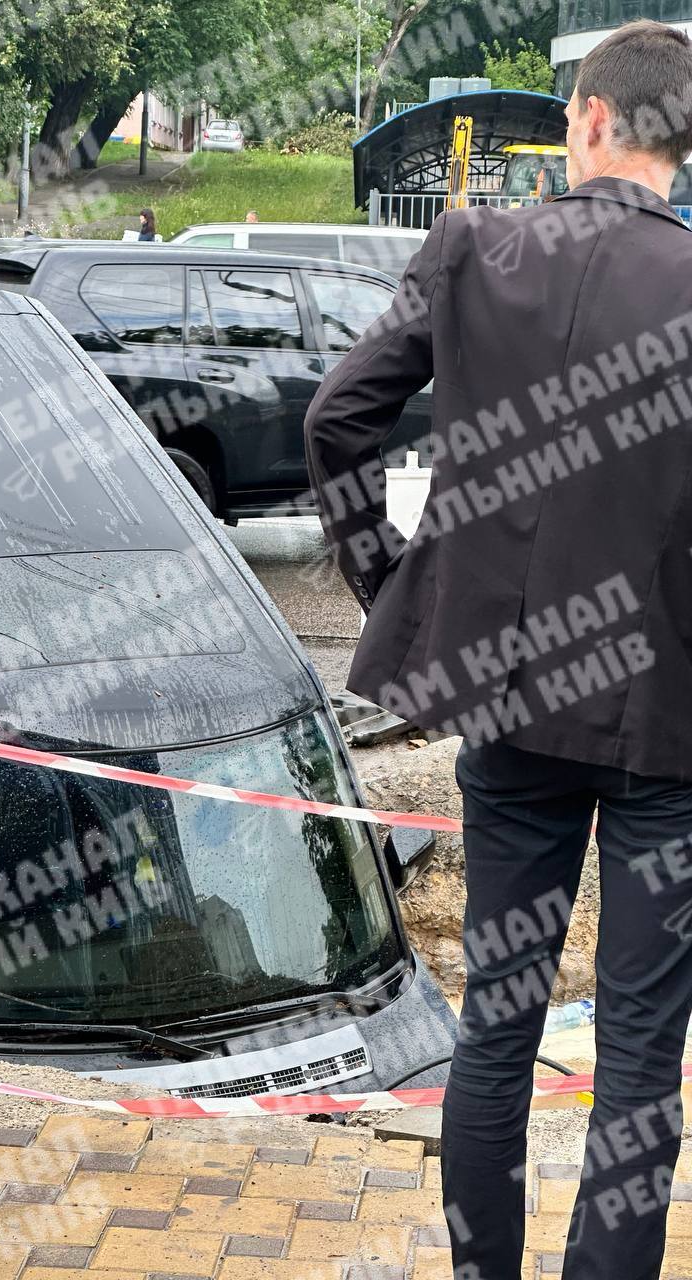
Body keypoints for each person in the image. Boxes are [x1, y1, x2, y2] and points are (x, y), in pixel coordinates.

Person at [304, 20, 692, 1280]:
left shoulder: (477, 246)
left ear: (589, 119)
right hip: (669, 725)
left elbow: (338, 417)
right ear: (679, 144)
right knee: (641, 1058)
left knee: (497, 1029)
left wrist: (401, 589)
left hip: (516, 706)